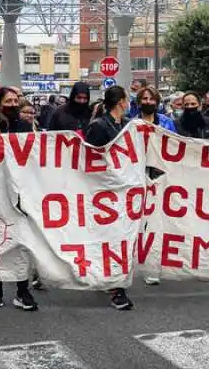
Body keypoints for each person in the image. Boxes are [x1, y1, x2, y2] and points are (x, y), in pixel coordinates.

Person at [0, 87, 38, 311]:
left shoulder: (23, 127)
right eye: (9, 101)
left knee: (22, 242)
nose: (13, 104)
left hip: (20, 193)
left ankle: (23, 290)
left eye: (16, 100)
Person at [85, 85, 134, 311]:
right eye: (128, 99)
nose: (129, 102)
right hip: (104, 192)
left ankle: (114, 281)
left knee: (121, 238)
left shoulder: (126, 125)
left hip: (123, 191)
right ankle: (115, 287)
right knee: (108, 238)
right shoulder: (98, 126)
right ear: (121, 101)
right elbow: (91, 160)